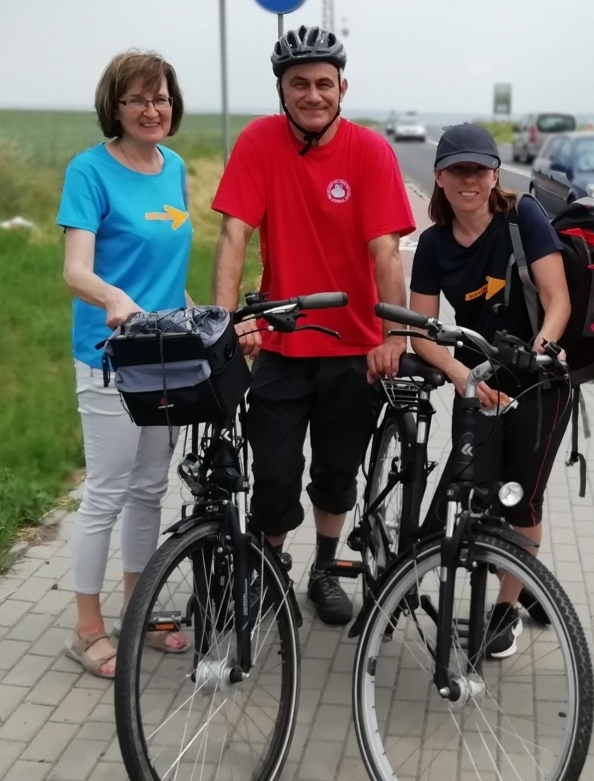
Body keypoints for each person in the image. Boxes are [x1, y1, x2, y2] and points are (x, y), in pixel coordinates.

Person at [210, 26, 414, 625]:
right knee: (274, 475)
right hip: (281, 340)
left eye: (325, 83)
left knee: (336, 472)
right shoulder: (259, 140)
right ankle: (268, 570)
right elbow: (233, 232)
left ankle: (324, 568)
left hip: (352, 345)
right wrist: (228, 322)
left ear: (342, 88)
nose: (313, 94)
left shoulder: (370, 151)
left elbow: (385, 250)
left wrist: (394, 335)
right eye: (299, 83)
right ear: (282, 90)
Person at [407, 124, 574, 659]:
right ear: (439, 176)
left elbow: (557, 300)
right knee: (475, 491)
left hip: (538, 381)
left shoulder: (523, 217)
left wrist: (541, 350)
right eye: (458, 170)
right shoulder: (434, 243)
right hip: (478, 381)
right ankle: (516, 579)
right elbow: (420, 331)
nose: (469, 180)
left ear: (495, 174)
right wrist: (463, 377)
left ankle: (505, 610)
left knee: (520, 497)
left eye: (479, 169)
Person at [57, 51, 196, 678]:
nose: (151, 109)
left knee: (149, 488)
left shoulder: (175, 168)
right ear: (114, 106)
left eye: (160, 97)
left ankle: (138, 610)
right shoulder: (89, 171)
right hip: (111, 356)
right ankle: (87, 628)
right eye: (137, 98)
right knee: (107, 492)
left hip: (164, 356)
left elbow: (167, 270)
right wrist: (114, 299)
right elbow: (75, 270)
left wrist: (199, 320)